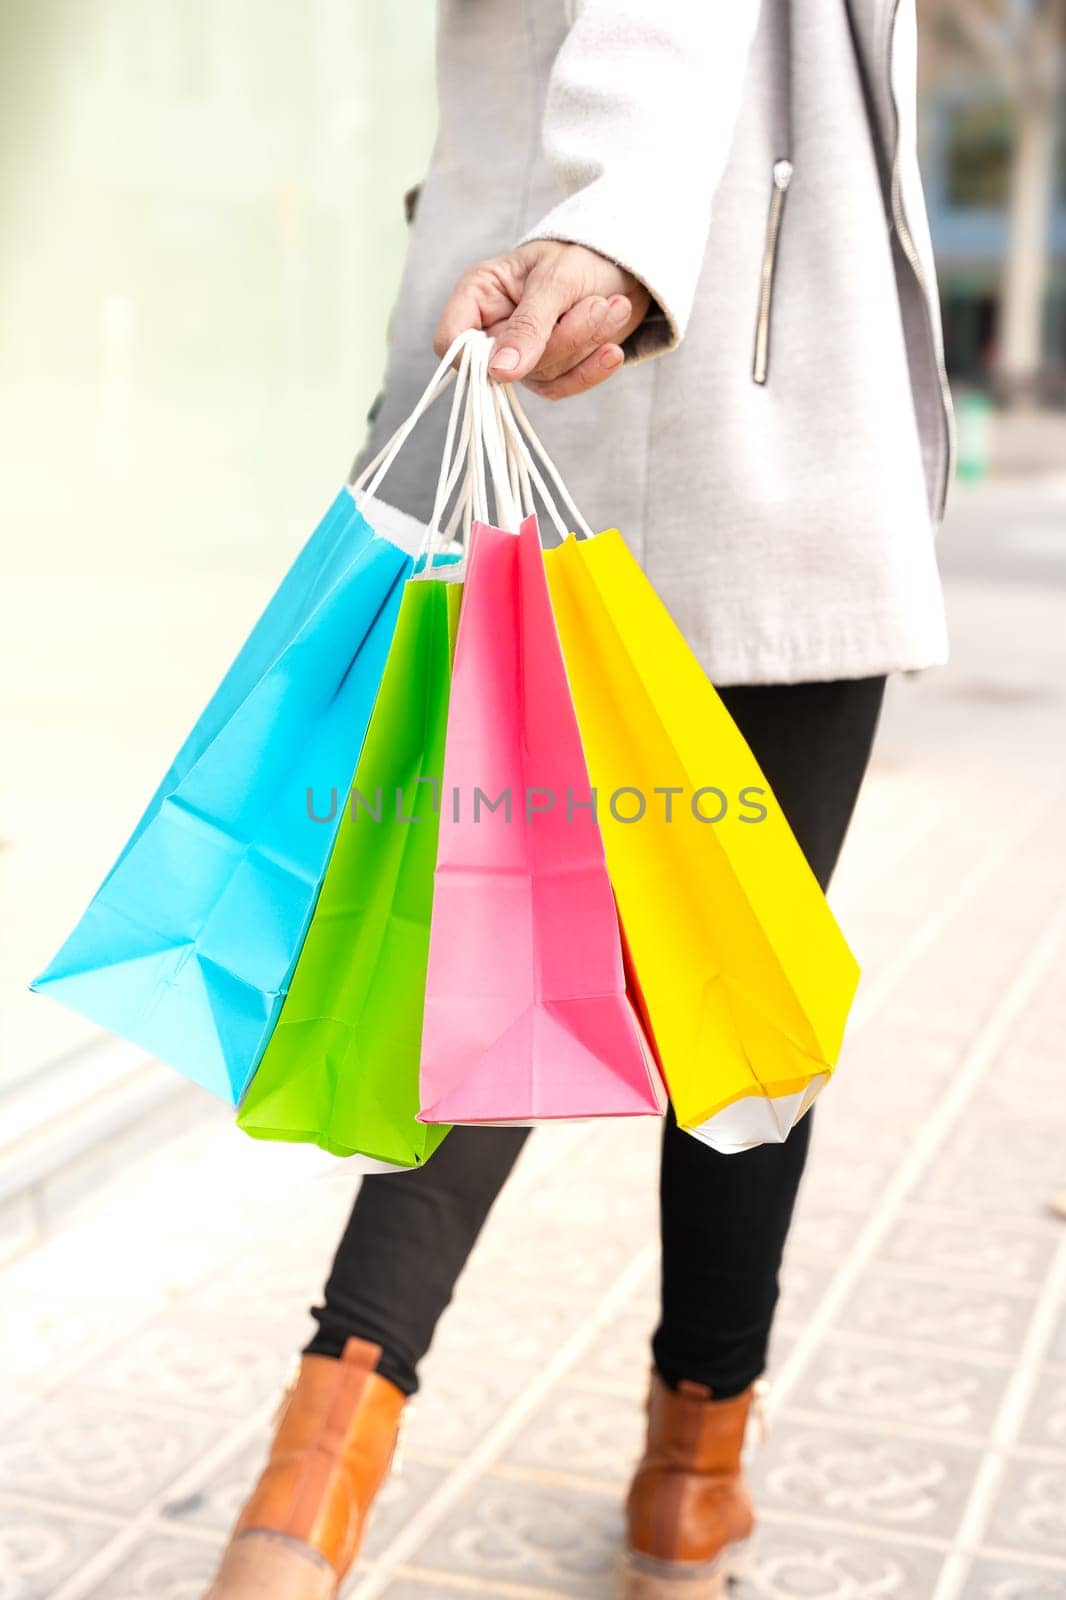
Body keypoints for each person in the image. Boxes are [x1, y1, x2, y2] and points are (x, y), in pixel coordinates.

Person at [204, 2, 951, 1597]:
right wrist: (613, 221)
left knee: (490, 970)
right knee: (737, 998)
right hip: (727, 398)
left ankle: (305, 1496)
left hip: (554, 374)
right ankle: (691, 1484)